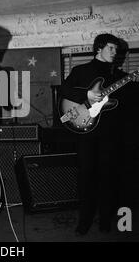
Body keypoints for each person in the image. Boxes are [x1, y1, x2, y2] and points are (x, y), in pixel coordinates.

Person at [60, 33, 139, 236]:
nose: (115, 52)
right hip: (85, 134)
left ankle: (105, 220)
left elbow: (129, 106)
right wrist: (86, 95)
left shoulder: (120, 77)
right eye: (111, 48)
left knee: (108, 178)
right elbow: (65, 91)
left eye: (116, 49)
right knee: (86, 177)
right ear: (99, 49)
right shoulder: (80, 70)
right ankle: (84, 221)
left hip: (110, 135)